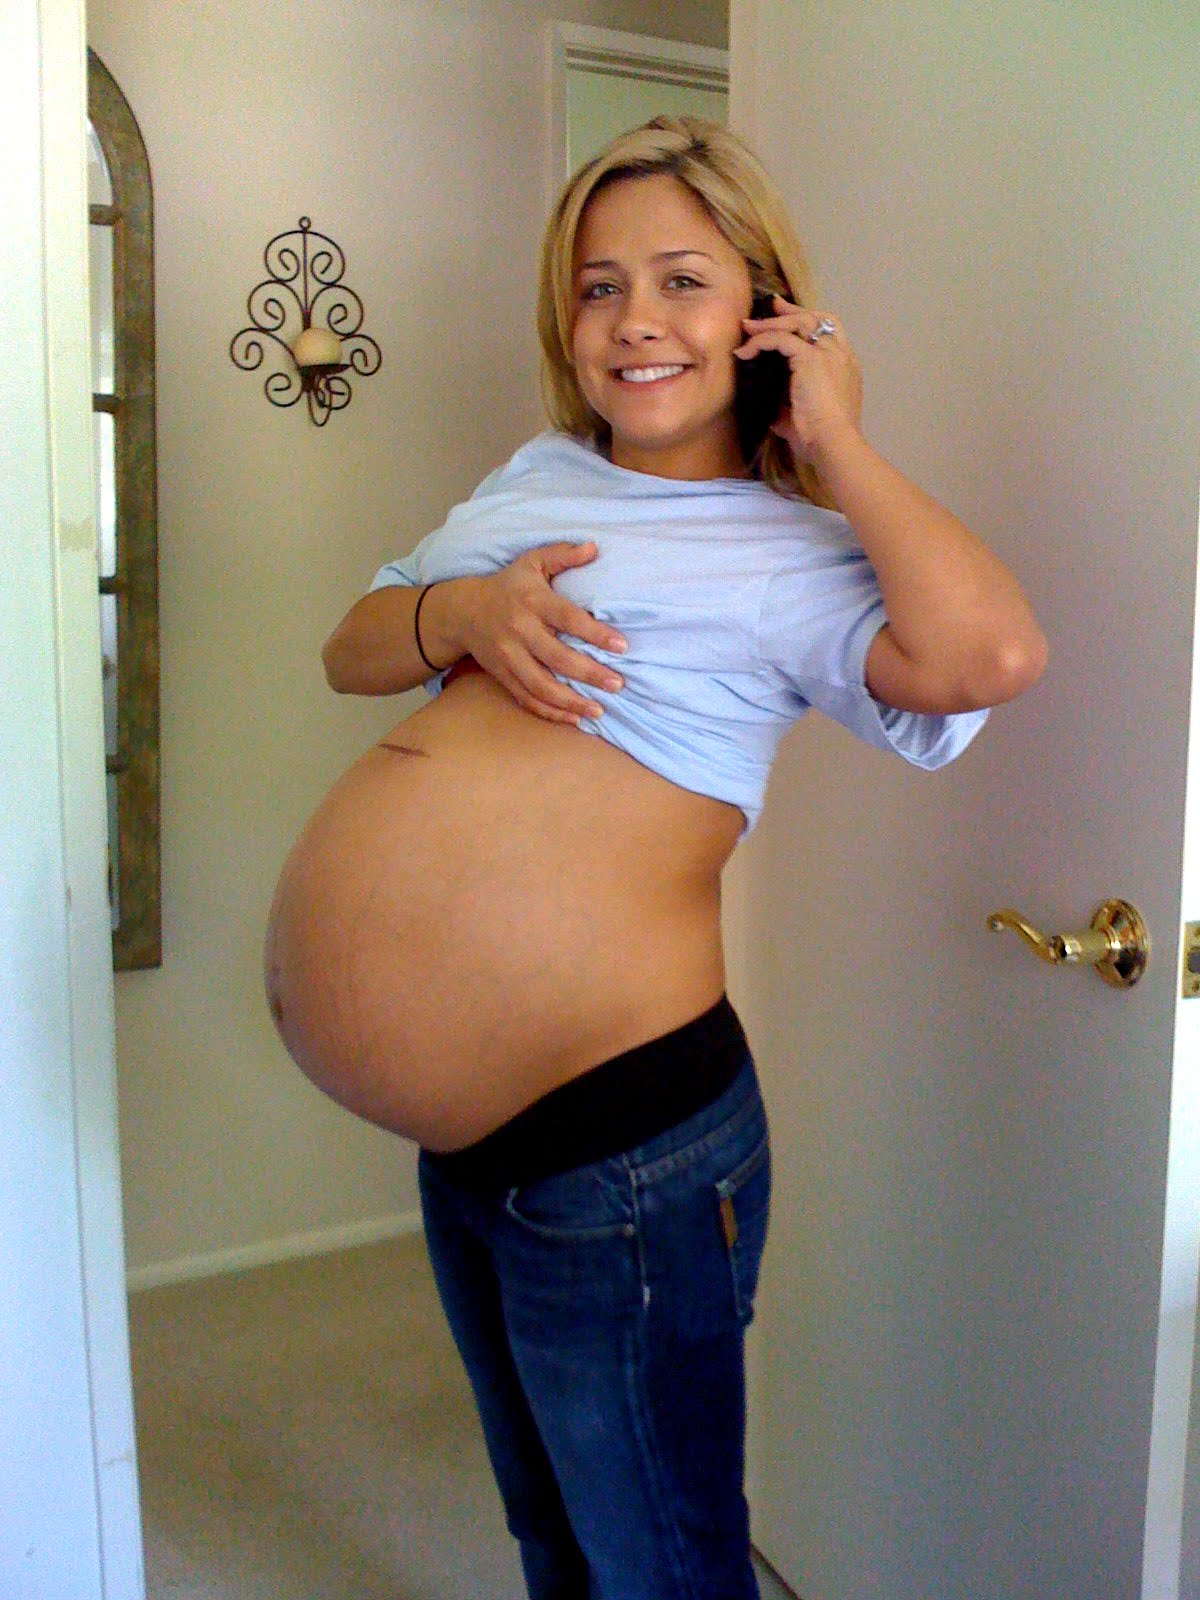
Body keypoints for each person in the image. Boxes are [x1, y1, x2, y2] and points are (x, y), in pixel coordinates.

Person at [268, 116, 1045, 1600]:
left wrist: (838, 442)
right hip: (471, 1158)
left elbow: (990, 654)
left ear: (765, 313)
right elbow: (352, 647)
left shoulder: (799, 551)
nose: (635, 321)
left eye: (684, 281)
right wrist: (461, 614)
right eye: (599, 285)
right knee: (553, 1534)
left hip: (622, 1151)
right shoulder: (533, 480)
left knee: (665, 1566)